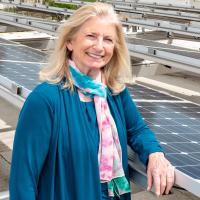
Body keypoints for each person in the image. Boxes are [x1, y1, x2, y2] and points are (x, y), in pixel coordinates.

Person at [9, 3, 175, 200]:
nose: (99, 47)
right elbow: (23, 179)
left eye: (108, 39)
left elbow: (137, 129)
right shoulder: (45, 100)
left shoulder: (114, 91)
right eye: (91, 36)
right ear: (70, 42)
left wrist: (155, 154)